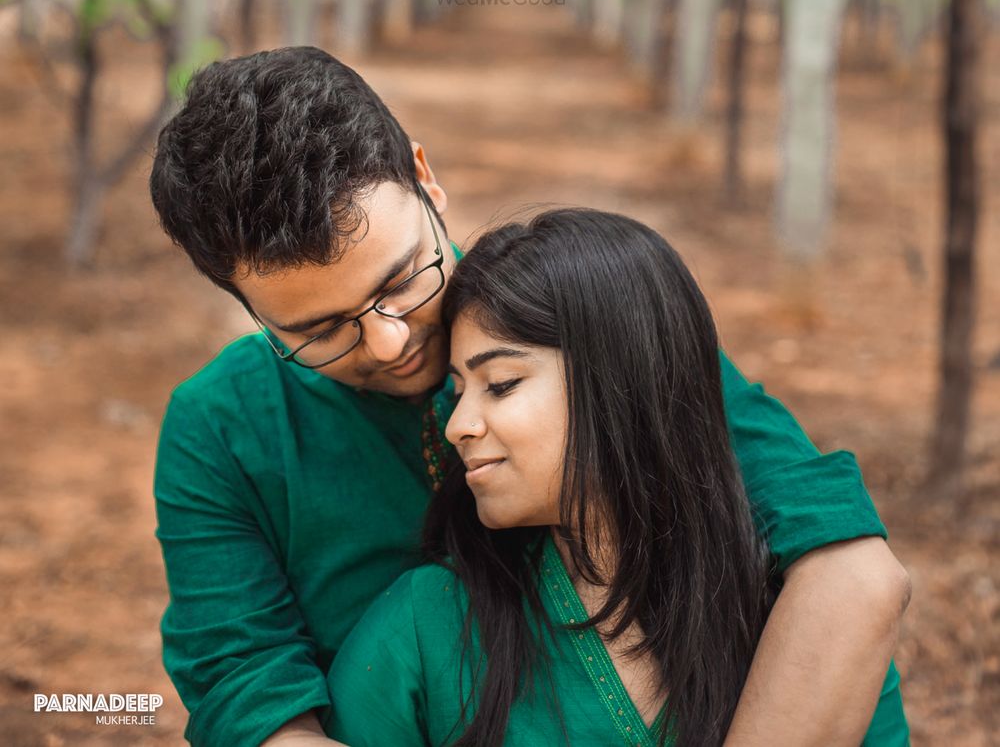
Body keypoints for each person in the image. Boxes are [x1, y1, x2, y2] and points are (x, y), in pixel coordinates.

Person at [150, 47, 910, 747]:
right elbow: (245, 691)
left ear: (426, 178)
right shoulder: (220, 428)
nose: (388, 342)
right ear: (248, 310)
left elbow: (848, 571)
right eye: (320, 330)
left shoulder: (580, 317)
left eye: (398, 280)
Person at [327, 207, 901, 746]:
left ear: (622, 383)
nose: (458, 426)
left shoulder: (806, 620)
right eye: (456, 393)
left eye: (500, 384)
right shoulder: (422, 631)